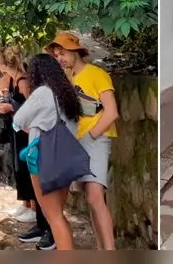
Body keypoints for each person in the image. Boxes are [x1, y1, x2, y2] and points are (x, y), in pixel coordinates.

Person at [0, 47, 54, 249]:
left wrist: (10, 106)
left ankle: (46, 227)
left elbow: (30, 109)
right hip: (20, 132)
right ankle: (40, 224)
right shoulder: (11, 79)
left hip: (29, 134)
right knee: (23, 172)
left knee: (31, 175)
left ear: (2, 63)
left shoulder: (23, 82)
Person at [46, 33, 119, 251]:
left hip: (95, 139)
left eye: (63, 53)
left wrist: (91, 135)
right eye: (57, 55)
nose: (60, 58)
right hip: (77, 142)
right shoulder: (69, 79)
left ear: (75, 51)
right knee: (91, 200)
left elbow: (112, 112)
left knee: (96, 198)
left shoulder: (96, 74)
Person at [12, 54, 82, 251]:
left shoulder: (42, 92)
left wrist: (33, 125)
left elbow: (18, 121)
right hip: (67, 157)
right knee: (58, 214)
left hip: (45, 158)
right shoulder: (68, 93)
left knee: (53, 216)